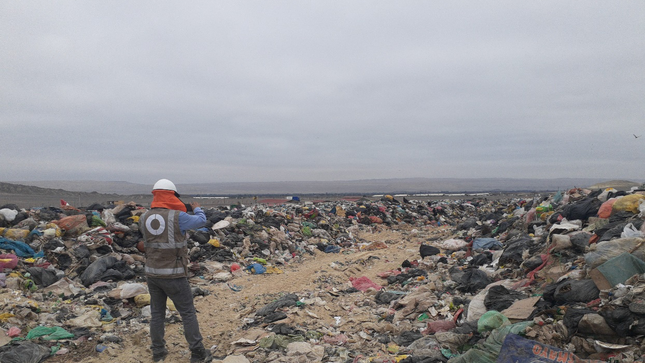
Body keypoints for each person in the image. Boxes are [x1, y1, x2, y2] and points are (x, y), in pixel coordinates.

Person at [140, 179, 212, 363]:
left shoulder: (144, 217)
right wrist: (197, 208)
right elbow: (202, 221)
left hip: (152, 273)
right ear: (172, 195)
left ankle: (158, 352)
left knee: (157, 313)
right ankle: (198, 354)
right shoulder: (177, 217)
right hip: (173, 274)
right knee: (187, 312)